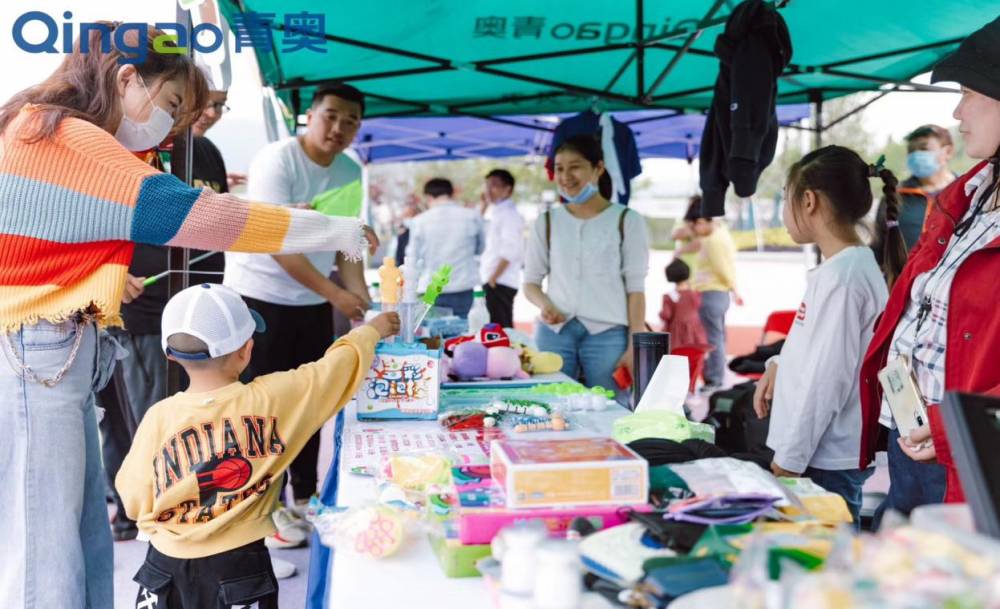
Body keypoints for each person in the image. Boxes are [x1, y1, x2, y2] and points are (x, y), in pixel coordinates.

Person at [0, 24, 374, 609]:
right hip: (38, 351)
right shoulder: (64, 135)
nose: (174, 125)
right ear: (127, 78)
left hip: (57, 349)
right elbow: (197, 215)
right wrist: (331, 229)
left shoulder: (52, 130)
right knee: (45, 543)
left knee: (77, 531)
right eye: (172, 104)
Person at [116, 283, 399, 609]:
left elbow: (133, 495)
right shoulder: (272, 399)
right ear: (246, 350)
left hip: (163, 567)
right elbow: (332, 370)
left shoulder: (159, 416)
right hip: (240, 568)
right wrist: (371, 331)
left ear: (170, 354)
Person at [859, 17, 1000, 518]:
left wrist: (946, 431)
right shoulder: (965, 197)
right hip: (912, 434)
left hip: (968, 457)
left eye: (968, 92)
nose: (958, 112)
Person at [223, 83, 372, 545]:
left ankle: (305, 496)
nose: (339, 127)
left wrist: (361, 300)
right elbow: (279, 243)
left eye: (351, 120)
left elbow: (347, 242)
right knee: (265, 407)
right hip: (260, 297)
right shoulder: (278, 160)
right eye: (331, 115)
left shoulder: (350, 170)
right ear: (310, 114)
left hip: (311, 304)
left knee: (312, 401)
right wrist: (336, 295)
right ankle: (262, 509)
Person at [100, 66, 234, 543]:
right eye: (195, 102)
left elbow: (220, 218)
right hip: (142, 312)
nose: (209, 113)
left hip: (200, 310)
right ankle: (144, 516)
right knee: (145, 418)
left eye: (219, 105)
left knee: (194, 418)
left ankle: (184, 515)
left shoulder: (206, 153)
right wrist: (112, 275)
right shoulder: (123, 148)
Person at [752, 146, 901, 524]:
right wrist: (778, 363)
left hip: (823, 458)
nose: (784, 212)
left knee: (827, 554)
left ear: (808, 200)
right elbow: (817, 349)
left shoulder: (844, 279)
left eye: (785, 198)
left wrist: (790, 459)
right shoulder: (842, 269)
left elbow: (827, 379)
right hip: (819, 453)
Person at [523, 135, 649, 399]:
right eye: (559, 168)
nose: (565, 176)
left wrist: (633, 344)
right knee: (551, 406)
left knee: (611, 409)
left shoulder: (626, 220)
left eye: (575, 167)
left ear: (598, 168)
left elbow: (635, 288)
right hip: (555, 332)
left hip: (608, 333)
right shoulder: (547, 221)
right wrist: (545, 305)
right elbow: (531, 282)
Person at [872, 125, 956, 286]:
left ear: (948, 152)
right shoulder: (894, 195)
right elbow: (878, 248)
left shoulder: (967, 193)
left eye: (924, 149)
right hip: (901, 289)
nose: (916, 155)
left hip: (949, 289)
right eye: (911, 151)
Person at [408, 178, 485, 319]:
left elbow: (412, 257)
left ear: (428, 196)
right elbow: (480, 248)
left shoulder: (420, 221)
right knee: (463, 330)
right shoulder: (472, 216)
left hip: (431, 288)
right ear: (452, 193)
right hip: (463, 286)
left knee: (431, 330)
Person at [685, 201, 741, 391]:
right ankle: (717, 376)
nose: (694, 230)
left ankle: (714, 379)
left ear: (702, 221)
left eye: (694, 225)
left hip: (711, 293)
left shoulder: (712, 241)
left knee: (713, 339)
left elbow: (722, 269)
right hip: (719, 293)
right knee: (718, 336)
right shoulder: (721, 233)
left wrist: (735, 289)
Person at [480, 168, 525, 328]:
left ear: (507, 189)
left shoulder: (509, 214)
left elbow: (511, 250)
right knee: (495, 328)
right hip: (494, 280)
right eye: (487, 186)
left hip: (500, 281)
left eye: (494, 185)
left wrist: (493, 278)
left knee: (500, 330)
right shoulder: (496, 211)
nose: (488, 190)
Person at [659, 259, 707, 347]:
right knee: (694, 352)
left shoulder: (668, 296)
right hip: (694, 331)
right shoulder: (695, 294)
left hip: (676, 333)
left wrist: (661, 314)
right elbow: (698, 305)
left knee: (677, 353)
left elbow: (666, 315)